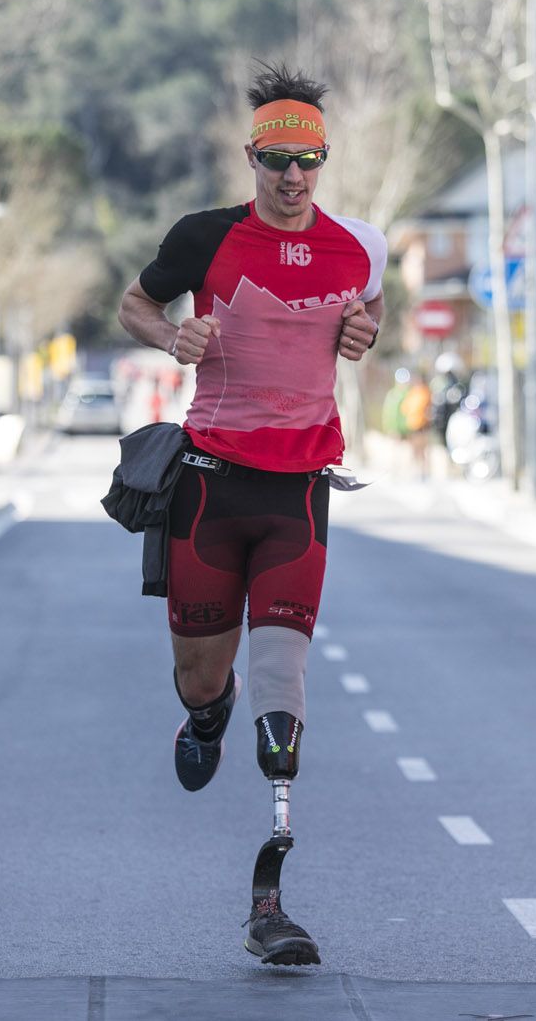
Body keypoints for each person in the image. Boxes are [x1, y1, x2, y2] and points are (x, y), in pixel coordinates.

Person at [116, 61, 385, 967]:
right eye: (276, 160)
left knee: (284, 703)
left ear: (323, 158)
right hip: (207, 485)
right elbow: (135, 302)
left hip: (299, 493)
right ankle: (205, 714)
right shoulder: (203, 237)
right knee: (202, 675)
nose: (292, 177)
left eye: (308, 159)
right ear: (252, 157)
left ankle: (270, 896)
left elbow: (369, 307)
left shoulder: (360, 248)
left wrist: (364, 330)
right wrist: (170, 334)